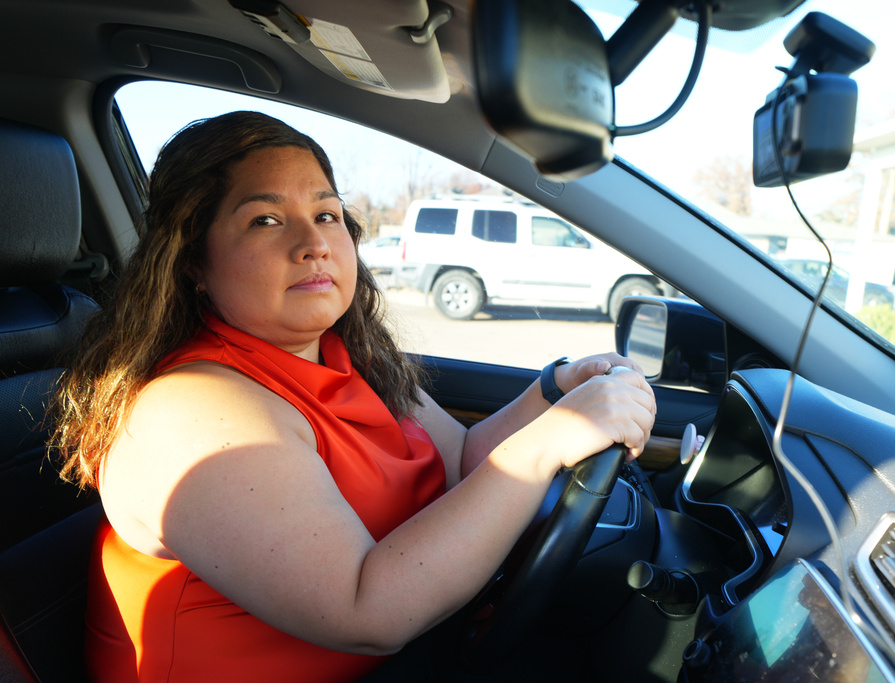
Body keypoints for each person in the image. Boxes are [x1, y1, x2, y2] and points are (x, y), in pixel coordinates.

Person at [50, 111, 657, 683]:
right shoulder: (193, 407)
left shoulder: (343, 356)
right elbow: (367, 614)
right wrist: (546, 446)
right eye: (265, 219)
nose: (312, 242)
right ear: (193, 264)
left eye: (326, 215)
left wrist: (552, 391)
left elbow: (463, 461)